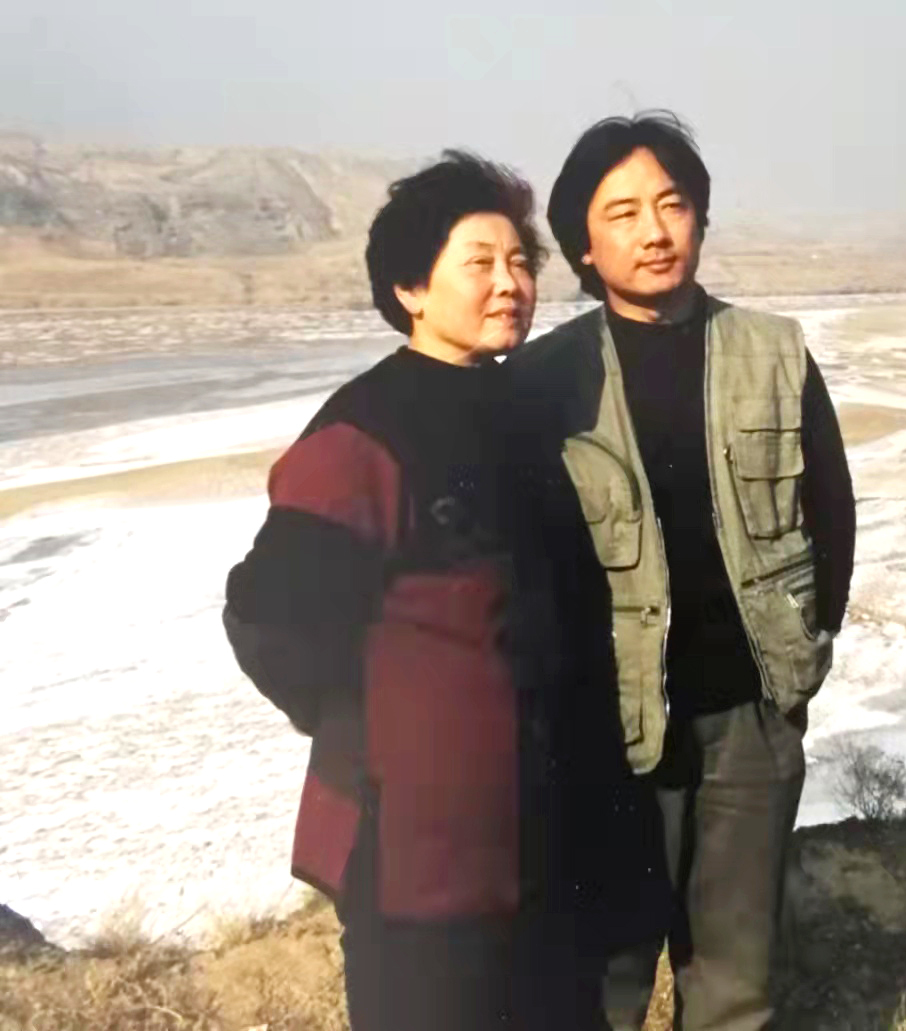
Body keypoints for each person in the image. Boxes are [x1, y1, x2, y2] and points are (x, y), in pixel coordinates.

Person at [221, 151, 606, 1029]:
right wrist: (384, 721)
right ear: (410, 288)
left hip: (538, 833)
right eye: (479, 262)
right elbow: (267, 616)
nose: (509, 283)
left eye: (520, 262)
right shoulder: (365, 432)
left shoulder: (524, 409)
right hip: (416, 854)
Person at [509, 113, 857, 1031]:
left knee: (737, 970)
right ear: (583, 246)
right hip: (607, 726)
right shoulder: (542, 380)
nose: (654, 231)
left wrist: (803, 658)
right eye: (622, 213)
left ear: (700, 218)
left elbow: (831, 508)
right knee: (606, 969)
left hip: (750, 714)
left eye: (671, 205)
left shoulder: (773, 350)